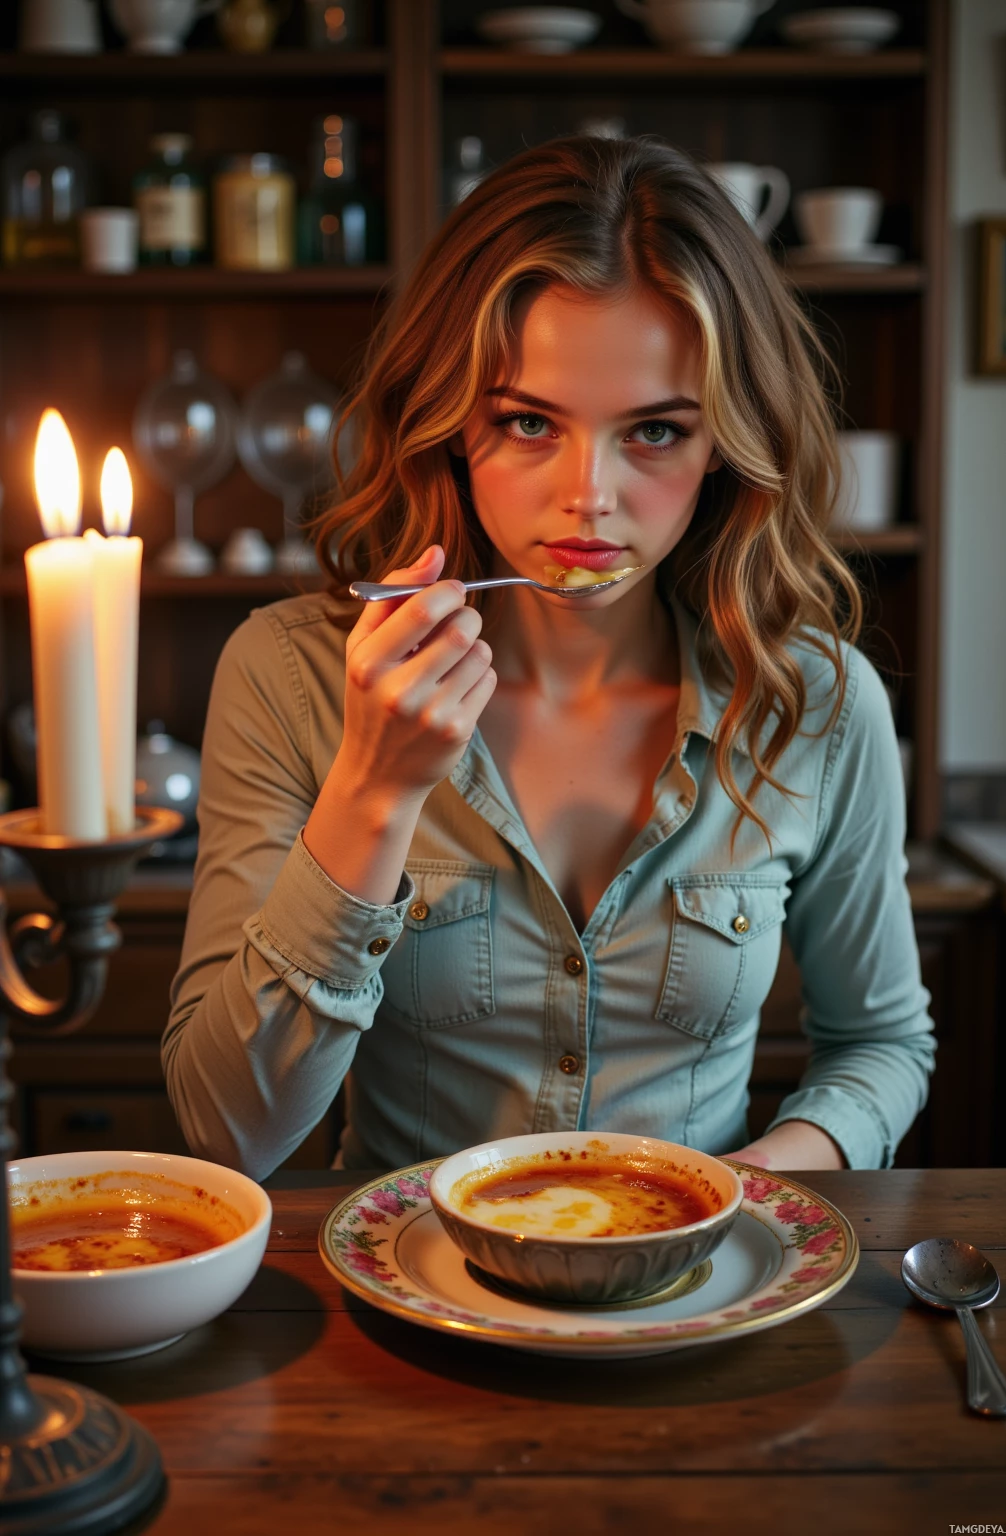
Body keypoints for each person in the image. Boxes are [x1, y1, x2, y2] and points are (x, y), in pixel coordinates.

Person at [162, 135, 934, 1182]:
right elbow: (227, 1132)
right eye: (529, 421)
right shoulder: (288, 674)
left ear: (725, 443)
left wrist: (752, 1193)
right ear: (446, 425)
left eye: (654, 432)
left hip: (699, 1300)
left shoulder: (820, 702)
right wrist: (374, 792)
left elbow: (881, 1046)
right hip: (409, 1311)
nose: (589, 498)